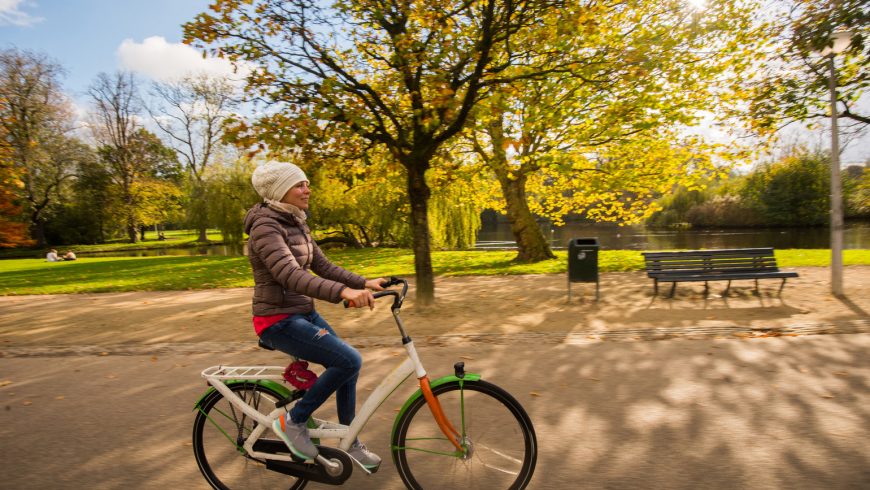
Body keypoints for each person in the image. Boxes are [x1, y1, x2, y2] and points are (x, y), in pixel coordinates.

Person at [243, 160, 385, 468]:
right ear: (281, 191)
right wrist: (342, 293)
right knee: (349, 360)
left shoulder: (295, 221)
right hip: (277, 321)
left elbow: (322, 266)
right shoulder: (266, 226)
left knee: (348, 363)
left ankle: (350, 439)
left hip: (301, 313)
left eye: (306, 183)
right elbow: (290, 275)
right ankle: (294, 422)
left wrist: (363, 282)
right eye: (299, 184)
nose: (308, 189)